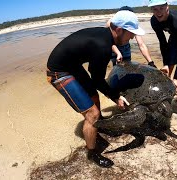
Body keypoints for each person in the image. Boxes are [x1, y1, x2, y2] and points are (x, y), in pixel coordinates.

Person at [46, 10, 144, 168]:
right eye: (131, 33)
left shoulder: (105, 36)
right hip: (59, 72)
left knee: (93, 94)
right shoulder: (102, 46)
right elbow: (98, 79)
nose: (132, 37)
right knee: (92, 113)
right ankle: (92, 154)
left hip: (72, 65)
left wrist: (112, 95)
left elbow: (94, 78)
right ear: (119, 30)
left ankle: (99, 124)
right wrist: (116, 97)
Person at [148, 0, 177, 99]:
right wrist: (165, 63)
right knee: (167, 70)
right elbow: (162, 42)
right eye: (155, 9)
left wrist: (175, 78)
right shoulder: (154, 21)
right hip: (174, 37)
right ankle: (166, 96)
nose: (158, 12)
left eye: (161, 8)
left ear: (167, 7)